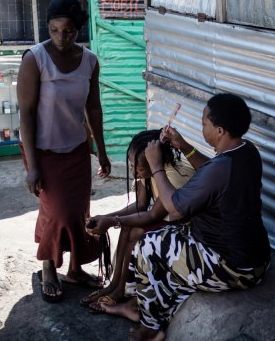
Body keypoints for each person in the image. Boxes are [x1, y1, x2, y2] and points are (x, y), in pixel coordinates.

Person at [97, 93, 271, 341]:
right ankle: (139, 306)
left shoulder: (220, 168)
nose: (201, 127)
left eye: (204, 124)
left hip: (233, 267)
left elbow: (176, 208)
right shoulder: (246, 151)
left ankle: (149, 328)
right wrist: (185, 147)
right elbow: (211, 173)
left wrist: (156, 166)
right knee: (163, 242)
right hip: (256, 259)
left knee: (146, 246)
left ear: (219, 130)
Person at [17, 0, 111, 303]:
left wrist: (101, 148)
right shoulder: (35, 59)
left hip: (77, 149)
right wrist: (32, 166)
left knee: (78, 211)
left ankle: (74, 270)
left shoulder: (89, 61)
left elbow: (93, 108)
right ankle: (48, 267)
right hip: (42, 150)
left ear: (78, 30)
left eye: (68, 31)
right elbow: (26, 113)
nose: (60, 37)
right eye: (54, 30)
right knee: (56, 210)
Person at [82, 129, 194, 313]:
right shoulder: (148, 169)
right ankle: (115, 286)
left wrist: (112, 222)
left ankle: (123, 291)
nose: (134, 172)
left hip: (185, 227)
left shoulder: (172, 175)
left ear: (154, 160)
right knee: (127, 226)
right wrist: (108, 218)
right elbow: (141, 205)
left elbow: (153, 215)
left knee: (134, 231)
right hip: (167, 219)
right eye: (132, 166)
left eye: (138, 168)